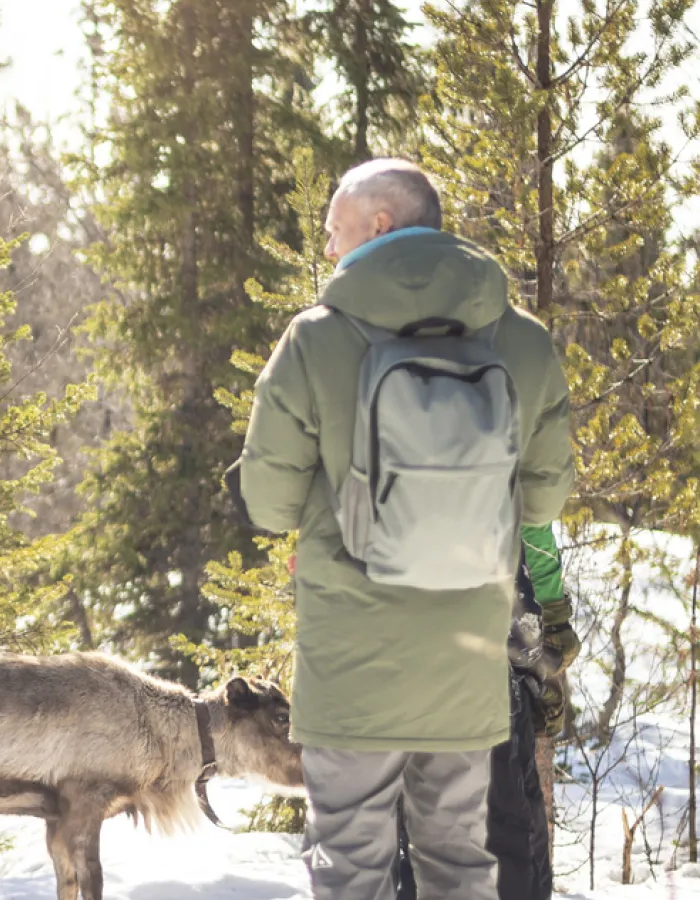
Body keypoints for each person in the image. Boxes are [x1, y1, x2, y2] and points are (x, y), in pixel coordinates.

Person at [237, 159, 573, 900]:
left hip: (351, 663)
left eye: (333, 232)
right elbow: (546, 497)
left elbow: (266, 501)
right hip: (465, 662)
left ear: (377, 225)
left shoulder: (315, 339)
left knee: (350, 865)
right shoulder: (520, 339)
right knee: (459, 862)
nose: (328, 250)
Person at [396, 524, 580, 900]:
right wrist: (553, 623)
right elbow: (535, 510)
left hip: (401, 660)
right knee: (505, 834)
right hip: (486, 664)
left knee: (414, 836)